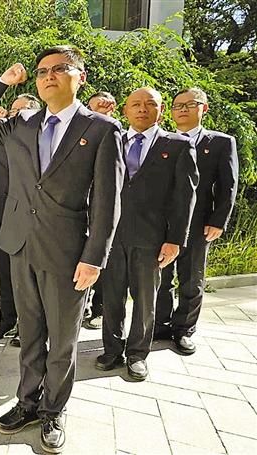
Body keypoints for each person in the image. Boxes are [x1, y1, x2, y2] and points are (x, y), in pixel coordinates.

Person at [0, 46, 124, 453]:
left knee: (63, 338)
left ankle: (54, 408)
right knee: (30, 332)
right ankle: (27, 402)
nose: (48, 76)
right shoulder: (22, 123)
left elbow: (107, 201)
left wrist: (94, 257)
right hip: (21, 245)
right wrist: (3, 82)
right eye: (41, 71)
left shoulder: (102, 129)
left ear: (80, 77)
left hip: (68, 252)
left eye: (59, 69)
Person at [98, 87, 198, 381]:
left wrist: (175, 240)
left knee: (145, 300)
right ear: (125, 110)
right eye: (135, 104)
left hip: (151, 238)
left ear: (161, 110)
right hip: (111, 236)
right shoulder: (111, 141)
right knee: (111, 297)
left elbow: (184, 198)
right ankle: (112, 350)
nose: (142, 109)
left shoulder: (178, 145)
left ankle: (137, 354)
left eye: (149, 104)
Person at [155, 88, 239, 354]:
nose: (182, 110)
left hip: (198, 222)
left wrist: (219, 220)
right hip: (159, 222)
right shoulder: (161, 140)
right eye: (177, 105)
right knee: (160, 277)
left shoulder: (221, 142)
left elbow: (228, 185)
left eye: (190, 105)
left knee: (191, 278)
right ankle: (159, 325)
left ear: (204, 108)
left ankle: (184, 329)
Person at [0, 94, 41, 343]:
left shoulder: (39, 139)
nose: (13, 114)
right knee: (6, 275)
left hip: (30, 219)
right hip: (1, 215)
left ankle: (27, 328)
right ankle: (6, 320)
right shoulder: (0, 138)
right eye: (12, 110)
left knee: (29, 280)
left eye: (20, 110)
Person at [82, 91, 117, 330]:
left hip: (104, 209)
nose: (99, 111)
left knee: (103, 262)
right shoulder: (79, 133)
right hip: (79, 209)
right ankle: (82, 305)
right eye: (95, 107)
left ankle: (99, 310)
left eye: (105, 107)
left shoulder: (116, 133)